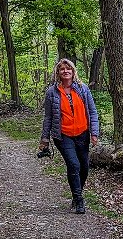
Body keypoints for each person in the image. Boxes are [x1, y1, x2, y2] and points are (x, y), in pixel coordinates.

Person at [40, 58, 100, 214]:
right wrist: (44, 140)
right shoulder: (52, 92)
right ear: (58, 73)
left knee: (84, 168)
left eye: (68, 69)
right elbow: (48, 117)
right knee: (73, 165)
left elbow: (92, 112)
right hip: (63, 135)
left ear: (73, 72)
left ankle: (76, 193)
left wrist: (94, 133)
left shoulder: (82, 89)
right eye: (62, 69)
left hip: (83, 133)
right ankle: (79, 199)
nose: (65, 71)